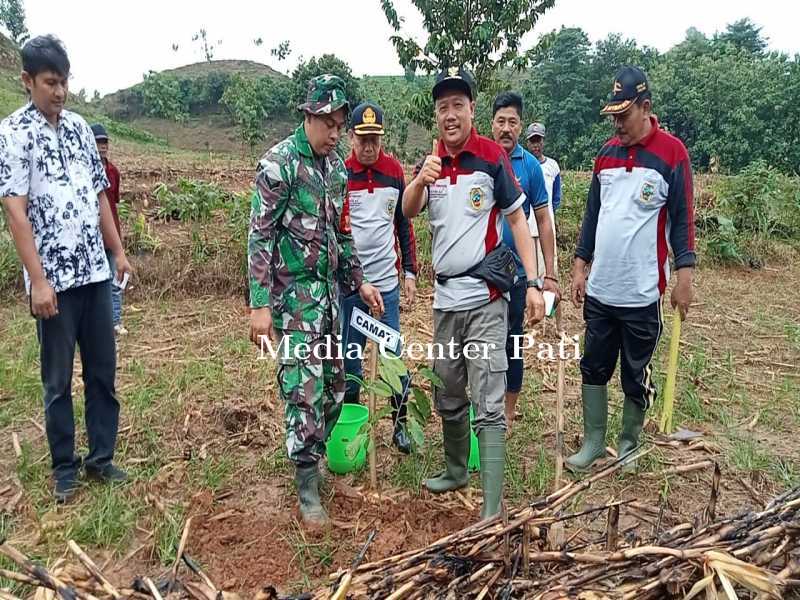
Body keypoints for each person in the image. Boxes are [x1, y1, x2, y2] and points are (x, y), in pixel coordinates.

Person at [403, 68, 545, 520]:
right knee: (447, 390)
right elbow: (406, 213)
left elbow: (519, 220)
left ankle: (490, 506)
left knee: (489, 395)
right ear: (437, 114)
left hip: (486, 298)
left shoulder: (490, 157)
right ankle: (455, 469)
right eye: (442, 107)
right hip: (445, 301)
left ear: (470, 110)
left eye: (457, 105)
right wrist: (420, 181)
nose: (450, 114)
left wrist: (536, 281)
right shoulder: (431, 163)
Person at [0, 35, 132, 502]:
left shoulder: (78, 129)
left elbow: (99, 197)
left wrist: (116, 251)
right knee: (57, 379)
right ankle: (64, 467)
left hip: (94, 273)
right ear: (28, 81)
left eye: (64, 81)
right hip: (52, 280)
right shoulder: (13, 134)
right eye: (50, 82)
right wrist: (37, 279)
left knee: (102, 371)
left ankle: (101, 459)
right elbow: (15, 211)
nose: (59, 92)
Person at [248, 75, 383, 527]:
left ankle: (317, 461)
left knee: (334, 390)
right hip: (293, 305)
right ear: (309, 116)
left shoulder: (337, 171)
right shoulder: (279, 165)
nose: (335, 134)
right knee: (303, 394)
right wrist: (260, 304)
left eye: (339, 125)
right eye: (329, 124)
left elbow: (342, 235)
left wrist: (360, 282)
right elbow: (260, 236)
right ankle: (307, 488)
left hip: (329, 303)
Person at [568, 66, 695, 473]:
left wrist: (684, 277)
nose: (617, 124)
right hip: (601, 290)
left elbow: (682, 218)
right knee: (593, 366)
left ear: (646, 107)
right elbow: (592, 216)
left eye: (624, 115)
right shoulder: (605, 156)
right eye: (613, 116)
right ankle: (592, 442)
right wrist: (579, 265)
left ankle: (628, 443)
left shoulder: (672, 154)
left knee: (634, 372)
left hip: (642, 292)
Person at [341, 101, 418, 454]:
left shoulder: (394, 172)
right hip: (351, 289)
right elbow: (337, 234)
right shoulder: (341, 174)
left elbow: (404, 224)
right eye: (363, 139)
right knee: (351, 359)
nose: (369, 146)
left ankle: (399, 426)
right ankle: (353, 426)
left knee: (392, 358)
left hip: (386, 286)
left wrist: (410, 272)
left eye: (375, 139)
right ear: (351, 137)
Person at [491, 92, 560, 430]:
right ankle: (483, 405)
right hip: (480, 273)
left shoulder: (530, 167)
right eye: (501, 121)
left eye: (512, 122)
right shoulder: (480, 157)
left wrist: (549, 275)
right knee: (480, 342)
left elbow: (544, 221)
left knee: (513, 341)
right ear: (491, 123)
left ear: (520, 125)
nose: (506, 128)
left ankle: (508, 411)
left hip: (517, 272)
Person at [90, 123, 126, 336]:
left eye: (104, 142)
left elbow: (113, 203)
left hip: (111, 236)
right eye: (98, 142)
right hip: (92, 237)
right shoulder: (83, 171)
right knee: (94, 283)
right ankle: (95, 325)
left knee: (114, 281)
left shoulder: (113, 172)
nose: (102, 147)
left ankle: (115, 321)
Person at [525, 122, 562, 215]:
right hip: (526, 224)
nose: (536, 145)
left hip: (547, 222)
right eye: (533, 141)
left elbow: (556, 197)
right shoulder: (522, 164)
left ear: (543, 142)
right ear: (527, 143)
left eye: (538, 140)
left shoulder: (553, 165)